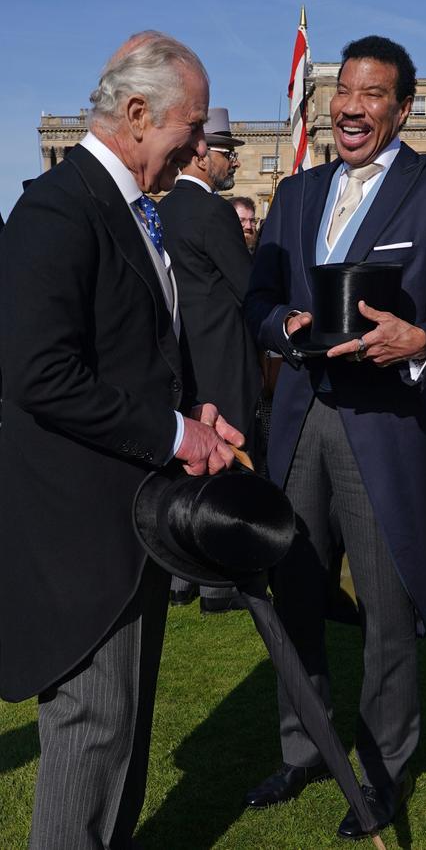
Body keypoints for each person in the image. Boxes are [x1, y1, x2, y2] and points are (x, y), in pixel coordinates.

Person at [0, 31, 243, 849]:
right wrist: (174, 432)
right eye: (194, 126)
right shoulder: (56, 208)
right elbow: (38, 373)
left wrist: (194, 418)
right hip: (79, 533)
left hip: (132, 520)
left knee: (123, 736)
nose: (202, 147)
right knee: (94, 731)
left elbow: (135, 353)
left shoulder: (137, 208)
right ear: (137, 113)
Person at [244, 34, 426, 839]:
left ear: (404, 107)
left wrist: (423, 340)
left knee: (387, 606)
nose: (351, 106)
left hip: (383, 426)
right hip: (299, 419)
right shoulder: (298, 191)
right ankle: (303, 748)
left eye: (373, 93)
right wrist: (282, 323)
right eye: (344, 90)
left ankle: (381, 772)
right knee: (295, 595)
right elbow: (259, 294)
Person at [159, 108, 261, 614]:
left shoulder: (160, 210)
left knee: (188, 468)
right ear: (201, 153)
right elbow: (248, 288)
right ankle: (220, 585)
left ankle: (181, 578)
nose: (234, 161)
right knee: (225, 464)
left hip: (183, 361)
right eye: (227, 151)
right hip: (224, 356)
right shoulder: (213, 211)